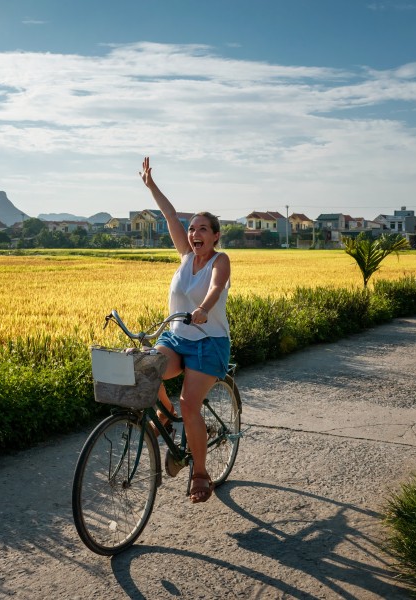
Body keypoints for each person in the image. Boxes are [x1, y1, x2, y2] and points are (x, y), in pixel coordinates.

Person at [140, 156, 231, 504]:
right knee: (147, 368)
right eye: (192, 229)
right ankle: (165, 415)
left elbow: (216, 288)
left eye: (202, 229)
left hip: (208, 343)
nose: (194, 234)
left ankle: (201, 473)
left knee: (189, 404)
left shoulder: (220, 260)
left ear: (215, 236)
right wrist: (151, 186)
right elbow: (169, 215)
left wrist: (203, 310)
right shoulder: (184, 256)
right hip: (177, 338)